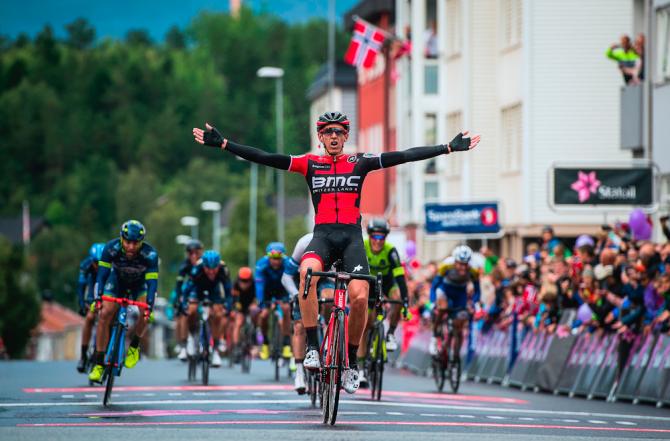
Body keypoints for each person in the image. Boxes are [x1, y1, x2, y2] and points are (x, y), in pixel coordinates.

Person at [193, 111, 479, 393]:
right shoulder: (309, 164)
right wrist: (224, 144)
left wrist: (448, 147)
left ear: (346, 137)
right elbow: (267, 157)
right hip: (323, 237)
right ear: (320, 137)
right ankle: (314, 347)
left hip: (352, 238)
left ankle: (352, 362)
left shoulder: (360, 162)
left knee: (360, 298)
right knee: (306, 275)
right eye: (328, 132)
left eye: (339, 132)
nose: (333, 136)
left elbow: (404, 155)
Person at [88, 220, 158, 383]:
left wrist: (149, 307)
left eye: (135, 243)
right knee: (105, 313)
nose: (131, 247)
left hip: (138, 284)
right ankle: (98, 364)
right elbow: (102, 276)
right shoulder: (110, 248)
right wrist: (98, 297)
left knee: (145, 313)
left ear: (141, 242)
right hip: (116, 281)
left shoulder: (150, 254)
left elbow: (152, 284)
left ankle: (134, 346)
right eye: (127, 242)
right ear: (121, 239)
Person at [282, 233, 335, 394]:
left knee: (329, 297)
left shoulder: (338, 240)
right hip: (305, 278)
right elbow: (286, 276)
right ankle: (299, 373)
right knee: (299, 326)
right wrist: (293, 294)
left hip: (327, 279)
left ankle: (328, 332)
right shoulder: (304, 242)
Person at [182, 250, 231, 367]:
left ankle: (215, 350)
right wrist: (184, 302)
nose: (211, 272)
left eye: (214, 269)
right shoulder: (197, 269)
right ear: (203, 265)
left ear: (218, 265)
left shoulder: (224, 270)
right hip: (197, 289)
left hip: (214, 291)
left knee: (218, 315)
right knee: (191, 310)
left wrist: (228, 305)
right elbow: (187, 289)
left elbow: (228, 291)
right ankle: (191, 336)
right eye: (208, 269)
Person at [429, 245, 480, 357]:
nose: (463, 267)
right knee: (442, 307)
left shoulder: (474, 269)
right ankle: (434, 335)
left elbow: (477, 289)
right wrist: (432, 301)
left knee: (459, 324)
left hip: (460, 292)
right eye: (460, 264)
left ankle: (456, 356)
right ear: (455, 261)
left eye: (465, 264)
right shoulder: (446, 265)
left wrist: (475, 303)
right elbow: (435, 284)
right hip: (445, 289)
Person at [255, 242, 292, 361]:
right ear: (268, 257)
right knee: (264, 314)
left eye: (278, 258)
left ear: (282, 257)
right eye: (273, 258)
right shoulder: (261, 264)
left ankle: (286, 344)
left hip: (283, 289)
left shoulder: (288, 263)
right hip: (267, 290)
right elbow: (259, 285)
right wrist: (261, 301)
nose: (276, 261)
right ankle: (265, 342)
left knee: (286, 309)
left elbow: (293, 281)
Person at [76, 242, 105, 373]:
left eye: (101, 263)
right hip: (93, 288)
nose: (98, 266)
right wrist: (82, 304)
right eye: (95, 263)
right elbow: (81, 286)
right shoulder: (86, 265)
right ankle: (83, 356)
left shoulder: (110, 265)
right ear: (91, 260)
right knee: (90, 317)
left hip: (106, 287)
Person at [174, 239, 203, 361]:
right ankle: (184, 346)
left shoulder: (206, 262)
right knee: (184, 314)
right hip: (191, 292)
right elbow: (179, 285)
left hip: (207, 290)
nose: (193, 256)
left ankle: (211, 344)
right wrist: (178, 299)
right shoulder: (185, 265)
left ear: (201, 252)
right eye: (190, 253)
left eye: (196, 252)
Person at [230, 266, 258, 360]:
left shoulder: (254, 284)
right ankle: (237, 346)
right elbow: (232, 299)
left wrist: (254, 305)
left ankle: (254, 333)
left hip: (250, 304)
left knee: (256, 314)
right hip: (240, 305)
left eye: (247, 281)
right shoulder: (235, 285)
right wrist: (233, 310)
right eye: (242, 281)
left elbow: (258, 297)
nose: (244, 284)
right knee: (238, 322)